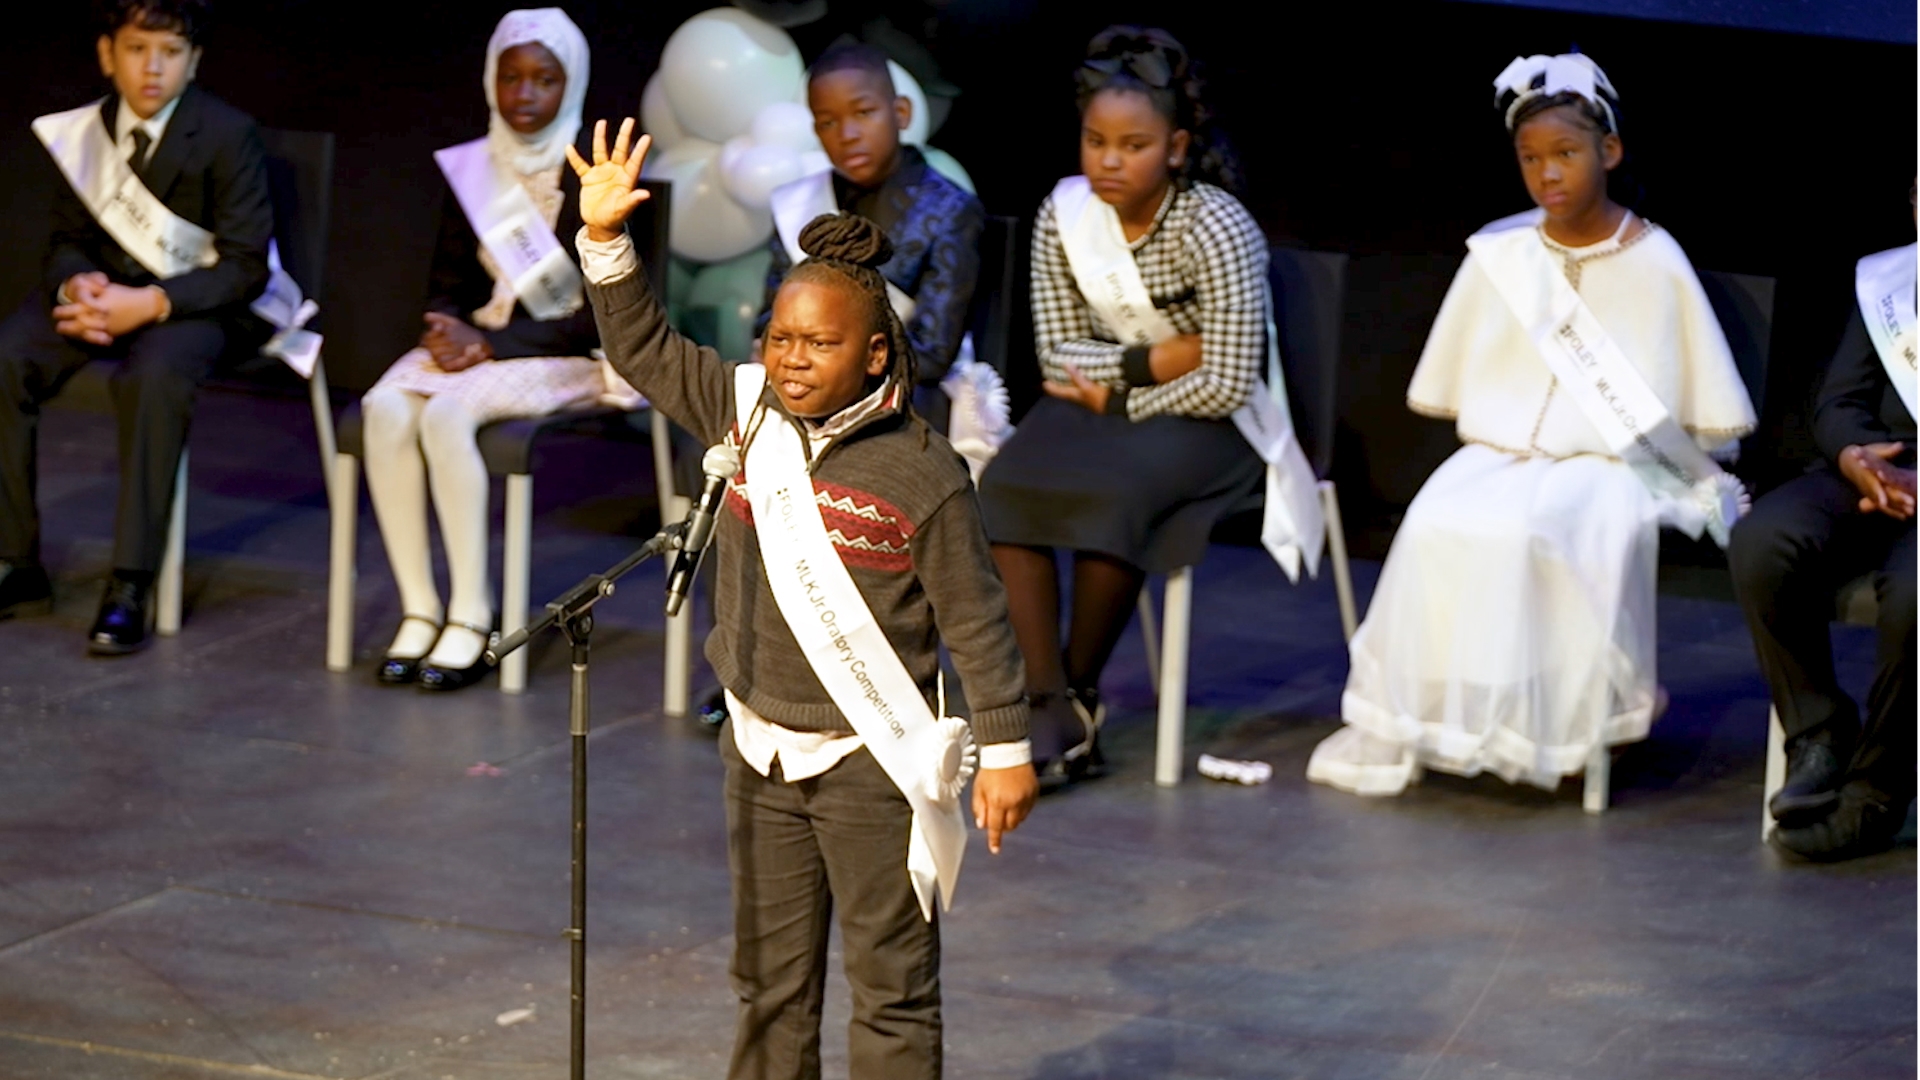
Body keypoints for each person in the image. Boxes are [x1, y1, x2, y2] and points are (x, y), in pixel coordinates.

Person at [569, 117, 1037, 1080]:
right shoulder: (742, 410)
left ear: (874, 356)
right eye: (779, 337)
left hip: (873, 757)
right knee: (771, 982)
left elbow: (978, 621)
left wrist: (1009, 751)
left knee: (892, 988)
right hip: (760, 746)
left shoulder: (924, 473)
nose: (789, 359)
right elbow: (645, 348)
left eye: (818, 344)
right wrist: (607, 241)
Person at [1306, 53, 1758, 797]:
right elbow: (1472, 369)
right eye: (1531, 159)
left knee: (1549, 533)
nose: (1549, 175)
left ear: (1607, 153)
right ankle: (1458, 717)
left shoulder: (1655, 259)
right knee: (1436, 522)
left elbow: (1680, 393)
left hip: (1612, 461)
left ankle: (1565, 726)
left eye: (1566, 156)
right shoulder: (1504, 253)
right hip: (1506, 451)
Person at [976, 26, 1316, 781]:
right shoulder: (1063, 214)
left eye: (1132, 144)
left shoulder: (1216, 225)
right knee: (1003, 487)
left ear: (1176, 146)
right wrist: (1166, 355)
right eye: (1095, 141)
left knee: (1116, 498)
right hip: (1098, 406)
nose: (1108, 159)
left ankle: (1079, 693)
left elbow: (1228, 380)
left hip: (1212, 423)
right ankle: (1050, 700)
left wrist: (1127, 380)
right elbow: (1059, 356)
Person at [0, 0, 272, 653]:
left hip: (194, 307)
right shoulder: (88, 131)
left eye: (170, 52)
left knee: (154, 376)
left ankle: (130, 580)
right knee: (6, 357)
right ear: (107, 54)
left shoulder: (228, 134)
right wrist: (78, 285)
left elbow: (244, 268)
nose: (153, 67)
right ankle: (16, 563)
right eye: (137, 48)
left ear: (194, 61)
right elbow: (66, 239)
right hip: (105, 297)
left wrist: (148, 304)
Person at [360, 9, 605, 691]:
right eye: (511, 77)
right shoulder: (473, 167)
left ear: (571, 84)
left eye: (544, 79)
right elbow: (447, 283)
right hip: (485, 348)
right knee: (384, 406)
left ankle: (472, 614)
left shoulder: (593, 174)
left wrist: (487, 342)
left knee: (443, 415)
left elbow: (594, 319)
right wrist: (442, 323)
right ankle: (419, 608)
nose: (524, 94)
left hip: (569, 355)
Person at [1731, 196, 1914, 861]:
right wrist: (1856, 459)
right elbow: (1838, 401)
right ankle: (1817, 731)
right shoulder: (1894, 285)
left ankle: (1880, 791)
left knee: (1916, 595)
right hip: (1872, 471)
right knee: (1764, 541)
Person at [763, 40, 984, 428]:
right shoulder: (799, 204)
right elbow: (770, 320)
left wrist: (838, 375)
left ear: (900, 113)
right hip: (805, 382)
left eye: (863, 112)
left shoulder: (950, 210)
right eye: (827, 122)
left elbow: (932, 352)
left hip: (905, 393)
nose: (846, 134)